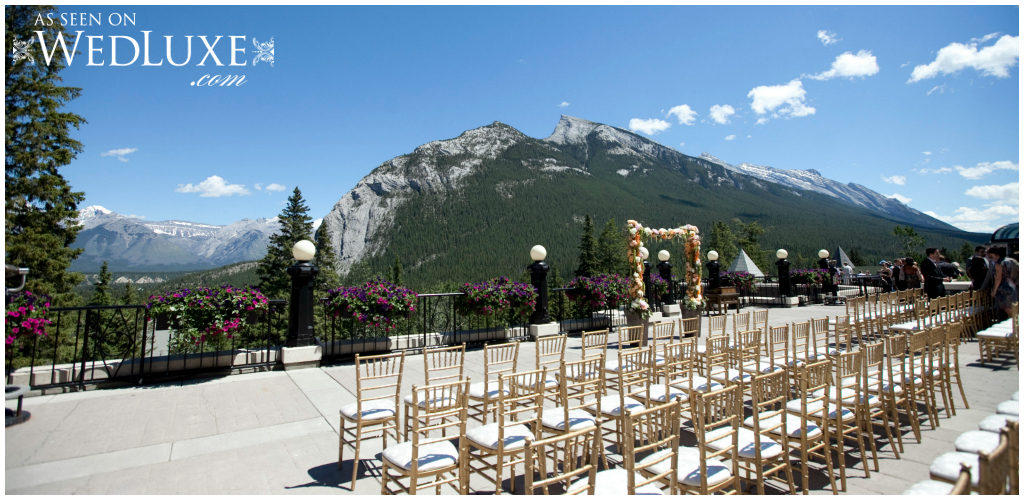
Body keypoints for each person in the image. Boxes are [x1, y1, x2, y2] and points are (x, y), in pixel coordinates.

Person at [988, 246, 1018, 319]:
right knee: (1014, 308)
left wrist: (994, 291)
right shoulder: (1009, 261)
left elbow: (998, 278)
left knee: (1008, 310)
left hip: (1003, 287)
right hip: (1011, 284)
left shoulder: (999, 264)